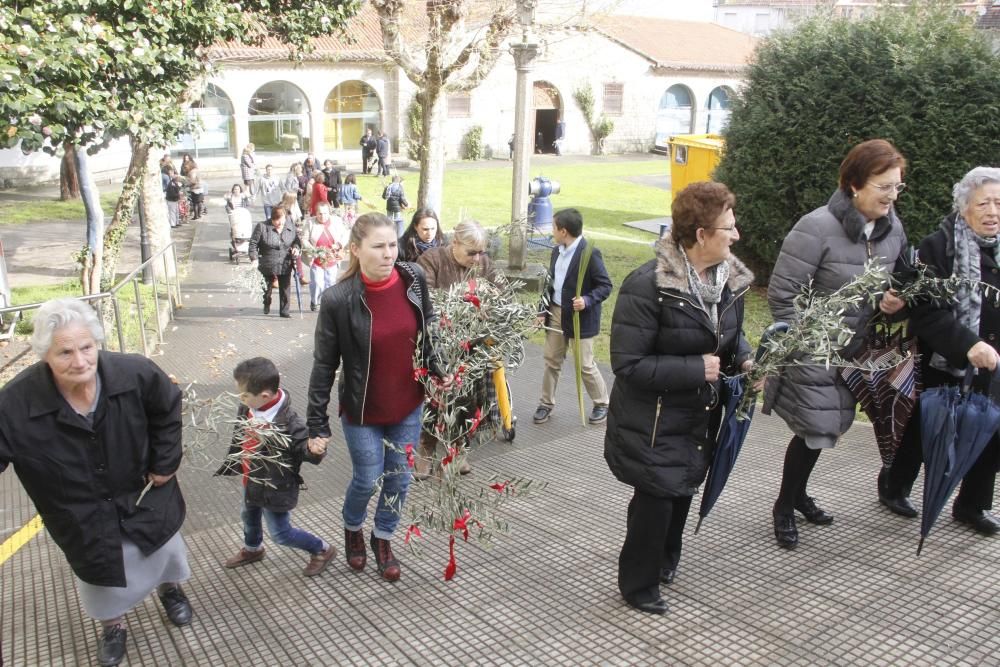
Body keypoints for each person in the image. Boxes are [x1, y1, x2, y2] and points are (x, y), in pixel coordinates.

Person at [0, 298, 193, 666]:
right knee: (99, 575)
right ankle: (114, 626)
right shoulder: (14, 404)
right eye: (65, 352)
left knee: (164, 551)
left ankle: (171, 591)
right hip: (79, 511)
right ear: (44, 355)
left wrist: (165, 462)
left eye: (86, 347)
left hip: (143, 494)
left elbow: (168, 407)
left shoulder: (134, 372)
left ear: (97, 342)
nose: (80, 361)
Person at [604, 182, 754, 615]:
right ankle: (637, 583)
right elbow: (627, 364)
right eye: (728, 227)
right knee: (657, 498)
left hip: (697, 415)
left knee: (683, 487)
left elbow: (731, 334)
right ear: (701, 234)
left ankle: (665, 562)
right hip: (652, 422)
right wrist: (696, 369)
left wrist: (742, 360)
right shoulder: (647, 286)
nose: (737, 235)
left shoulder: (727, 279)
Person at [765, 139, 908, 549]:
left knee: (831, 428)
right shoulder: (815, 227)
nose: (892, 196)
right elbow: (783, 294)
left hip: (856, 353)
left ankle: (797, 495)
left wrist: (894, 301)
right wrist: (806, 345)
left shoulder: (892, 228)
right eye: (884, 186)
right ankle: (783, 505)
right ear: (853, 185)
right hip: (813, 349)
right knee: (815, 428)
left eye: (897, 187)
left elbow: (894, 284)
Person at [306, 213, 442, 582]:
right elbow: (323, 366)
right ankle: (353, 529)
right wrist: (316, 424)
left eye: (393, 245)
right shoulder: (338, 299)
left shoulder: (413, 278)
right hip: (362, 409)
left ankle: (382, 538)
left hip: (407, 405)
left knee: (399, 480)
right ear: (355, 249)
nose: (388, 254)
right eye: (378, 246)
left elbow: (427, 325)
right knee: (367, 479)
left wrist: (439, 371)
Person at [880, 167, 1000, 535]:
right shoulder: (939, 246)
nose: (993, 211)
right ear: (965, 208)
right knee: (924, 427)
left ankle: (971, 505)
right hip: (943, 359)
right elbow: (926, 312)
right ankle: (895, 485)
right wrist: (968, 344)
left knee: (990, 432)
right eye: (984, 203)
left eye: (999, 203)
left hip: (994, 364)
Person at [217, 357, 337, 576]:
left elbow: (305, 446)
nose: (240, 398)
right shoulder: (249, 406)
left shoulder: (290, 423)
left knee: (280, 533)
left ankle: (322, 549)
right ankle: (253, 549)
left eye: (243, 394)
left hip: (275, 487)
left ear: (264, 396)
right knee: (249, 515)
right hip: (251, 478)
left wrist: (314, 449)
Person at [414, 220, 497, 478]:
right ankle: (425, 451)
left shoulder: (483, 264)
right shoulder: (430, 260)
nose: (477, 258)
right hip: (437, 346)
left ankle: (459, 449)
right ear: (455, 243)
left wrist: (490, 302)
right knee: (433, 401)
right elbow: (422, 297)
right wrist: (463, 300)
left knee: (469, 401)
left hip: (472, 347)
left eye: (481, 252)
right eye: (471, 252)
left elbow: (502, 293)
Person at [532, 208, 612, 426]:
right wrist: (542, 311)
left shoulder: (589, 253)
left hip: (580, 318)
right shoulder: (557, 251)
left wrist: (586, 300)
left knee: (584, 364)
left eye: (554, 227)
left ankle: (601, 402)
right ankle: (546, 403)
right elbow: (550, 283)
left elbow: (605, 285)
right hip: (556, 312)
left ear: (564, 231)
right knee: (551, 360)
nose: (552, 231)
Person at [249, 207, 302, 318]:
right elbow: (253, 243)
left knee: (285, 288)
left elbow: (296, 240)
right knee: (266, 288)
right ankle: (267, 301)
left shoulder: (290, 226)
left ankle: (284, 311)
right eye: (276, 221)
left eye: (281, 221)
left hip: (284, 263)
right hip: (267, 263)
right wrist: (254, 259)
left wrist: (296, 247)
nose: (279, 224)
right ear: (272, 219)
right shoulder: (262, 227)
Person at [307, 203, 348, 311]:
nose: (322, 216)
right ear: (316, 213)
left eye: (325, 213)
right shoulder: (310, 222)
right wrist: (314, 250)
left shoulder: (337, 221)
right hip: (317, 258)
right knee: (317, 283)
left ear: (329, 213)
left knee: (330, 283)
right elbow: (304, 239)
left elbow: (346, 234)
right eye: (320, 213)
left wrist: (339, 244)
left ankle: (327, 304)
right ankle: (315, 301)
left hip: (332, 258)